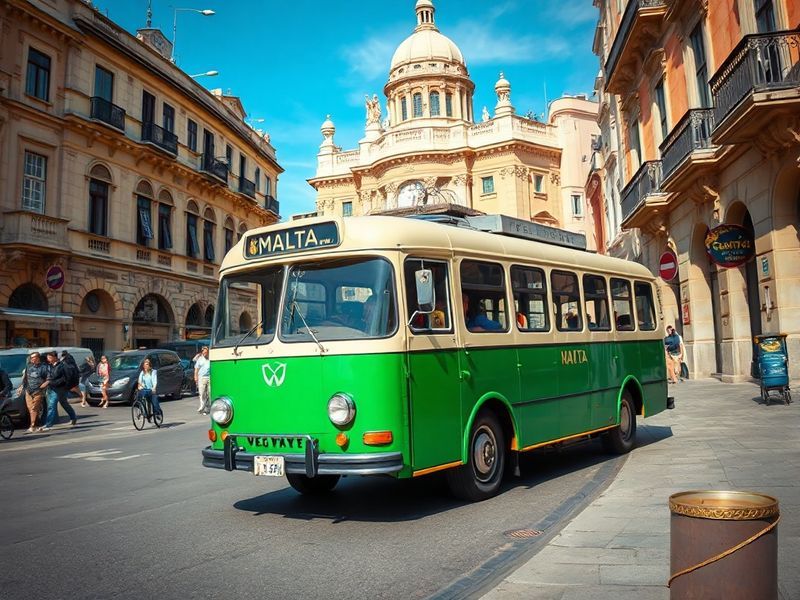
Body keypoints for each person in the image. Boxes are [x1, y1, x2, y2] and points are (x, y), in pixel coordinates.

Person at [42, 351, 77, 431]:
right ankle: (73, 417)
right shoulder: (50, 366)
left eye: (50, 357)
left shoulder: (62, 366)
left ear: (55, 357)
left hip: (60, 388)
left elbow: (65, 378)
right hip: (52, 388)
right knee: (64, 403)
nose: (48, 359)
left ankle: (48, 424)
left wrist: (52, 382)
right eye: (48, 357)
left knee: (51, 405)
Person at [17, 352, 48, 433]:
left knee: (34, 408)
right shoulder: (29, 366)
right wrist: (21, 387)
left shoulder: (44, 367)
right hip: (28, 390)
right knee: (31, 409)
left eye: (33, 357)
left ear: (37, 358)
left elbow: (49, 378)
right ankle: (37, 425)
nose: (31, 359)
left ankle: (32, 426)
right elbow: (25, 378)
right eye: (31, 358)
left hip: (38, 391)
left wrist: (44, 384)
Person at [194, 346, 211, 415]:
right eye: (203, 352)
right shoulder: (200, 359)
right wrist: (195, 377)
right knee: (202, 393)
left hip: (210, 377)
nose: (205, 354)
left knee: (209, 393)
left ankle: (208, 408)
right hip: (202, 377)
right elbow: (196, 369)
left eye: (206, 352)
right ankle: (202, 406)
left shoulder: (211, 359)